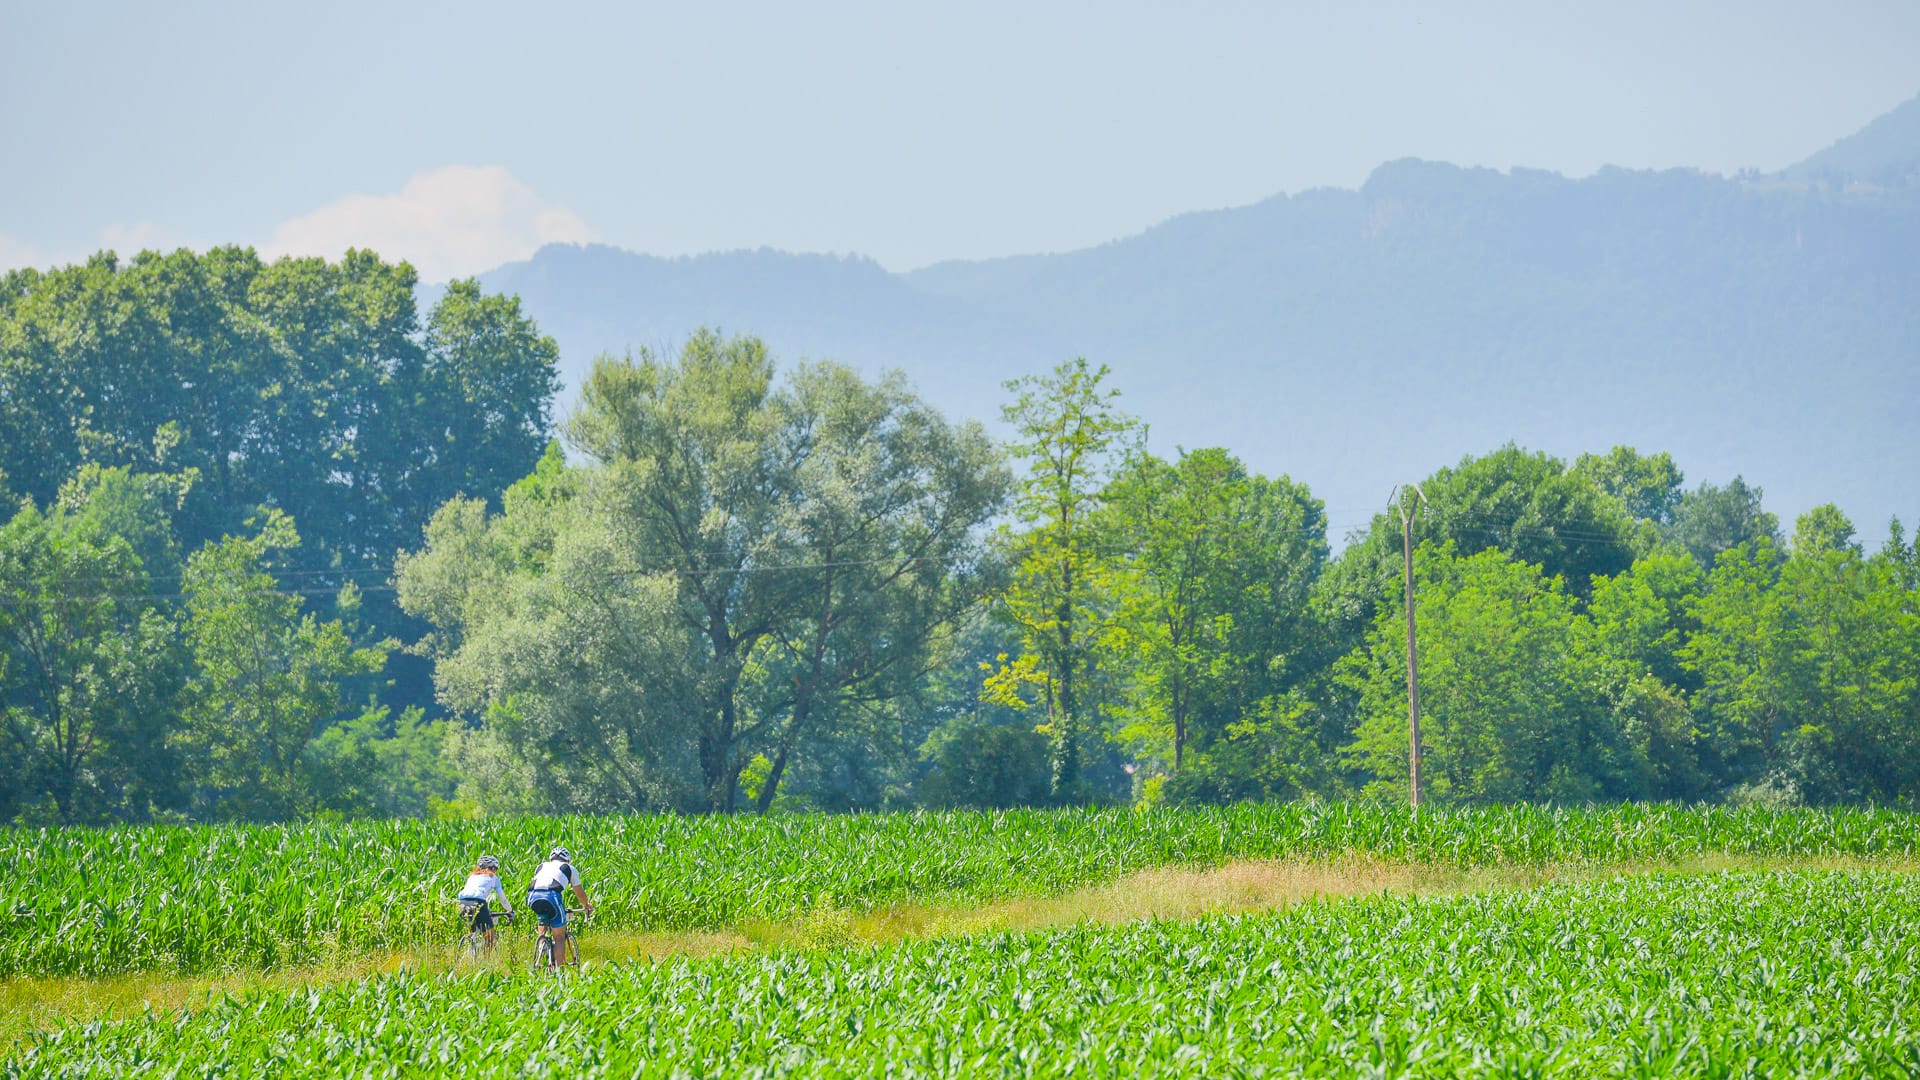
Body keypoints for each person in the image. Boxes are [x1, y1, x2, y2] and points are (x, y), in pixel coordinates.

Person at [527, 847, 595, 966]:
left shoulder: (541, 865)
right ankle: (559, 971)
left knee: (542, 919)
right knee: (559, 936)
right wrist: (586, 905)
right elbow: (579, 892)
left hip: (533, 896)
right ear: (567, 860)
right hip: (551, 895)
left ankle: (541, 945)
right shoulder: (569, 868)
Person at [455, 855, 514, 949]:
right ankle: (486, 961)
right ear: (493, 867)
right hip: (478, 901)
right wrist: (510, 911)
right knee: (489, 936)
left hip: (462, 902)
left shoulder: (472, 876)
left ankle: (469, 946)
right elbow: (503, 899)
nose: (496, 871)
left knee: (473, 928)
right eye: (496, 868)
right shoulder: (493, 877)